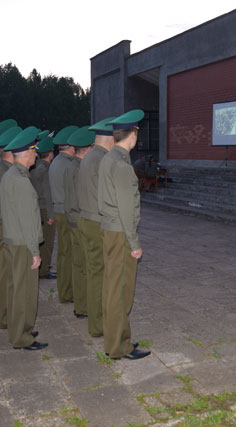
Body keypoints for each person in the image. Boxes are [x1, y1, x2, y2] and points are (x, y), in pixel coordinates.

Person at [98, 110, 151, 360]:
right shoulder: (120, 164)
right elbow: (126, 207)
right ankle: (118, 346)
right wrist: (134, 242)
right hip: (120, 233)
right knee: (120, 291)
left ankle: (118, 339)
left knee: (113, 288)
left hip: (111, 229)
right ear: (133, 135)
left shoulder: (109, 159)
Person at [0, 126, 47, 350]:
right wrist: (35, 252)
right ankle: (22, 336)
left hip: (12, 240)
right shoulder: (21, 180)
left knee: (15, 288)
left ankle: (18, 328)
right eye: (34, 151)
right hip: (23, 244)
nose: (36, 155)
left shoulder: (10, 175)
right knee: (24, 292)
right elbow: (28, 219)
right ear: (26, 153)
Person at [79, 117, 115, 337]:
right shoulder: (103, 159)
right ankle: (98, 325)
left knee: (93, 273)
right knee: (99, 276)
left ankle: (95, 321)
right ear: (109, 138)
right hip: (97, 222)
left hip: (87, 218)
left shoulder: (88, 156)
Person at [0, 125, 21, 328]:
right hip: (3, 226)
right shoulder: (2, 171)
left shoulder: (0, 168)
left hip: (1, 224)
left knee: (2, 271)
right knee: (3, 272)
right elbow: (3, 208)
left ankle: (2, 310)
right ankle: (4, 314)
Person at [64, 127, 95, 319]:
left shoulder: (72, 165)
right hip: (79, 219)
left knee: (78, 264)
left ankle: (80, 304)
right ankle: (83, 306)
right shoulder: (79, 168)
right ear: (89, 148)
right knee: (85, 266)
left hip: (72, 217)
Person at [48, 125, 78, 303]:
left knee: (63, 254)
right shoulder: (68, 165)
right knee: (69, 255)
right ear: (72, 146)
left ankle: (64, 289)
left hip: (58, 210)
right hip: (67, 212)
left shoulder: (56, 162)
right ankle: (68, 292)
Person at [29, 136, 56, 280]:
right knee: (47, 242)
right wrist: (51, 215)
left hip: (37, 207)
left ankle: (42, 267)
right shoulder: (44, 169)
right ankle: (44, 270)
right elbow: (47, 194)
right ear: (50, 153)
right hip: (45, 209)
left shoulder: (35, 167)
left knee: (40, 240)